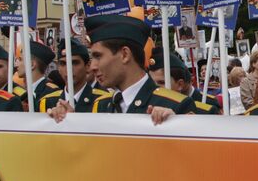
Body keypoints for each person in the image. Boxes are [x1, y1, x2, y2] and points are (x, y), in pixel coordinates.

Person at [48, 15, 193, 122]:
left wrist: (175, 125)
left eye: (98, 56)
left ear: (124, 54)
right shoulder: (100, 105)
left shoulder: (176, 105)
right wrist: (69, 123)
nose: (92, 67)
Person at [39, 38, 111, 113]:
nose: (68, 69)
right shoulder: (48, 102)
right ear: (58, 67)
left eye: (75, 63)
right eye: (63, 64)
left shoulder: (103, 101)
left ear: (88, 66)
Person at [147, 52, 220, 114]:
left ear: (180, 84)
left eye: (161, 82)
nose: (155, 88)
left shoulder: (208, 104)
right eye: (151, 82)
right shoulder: (151, 102)